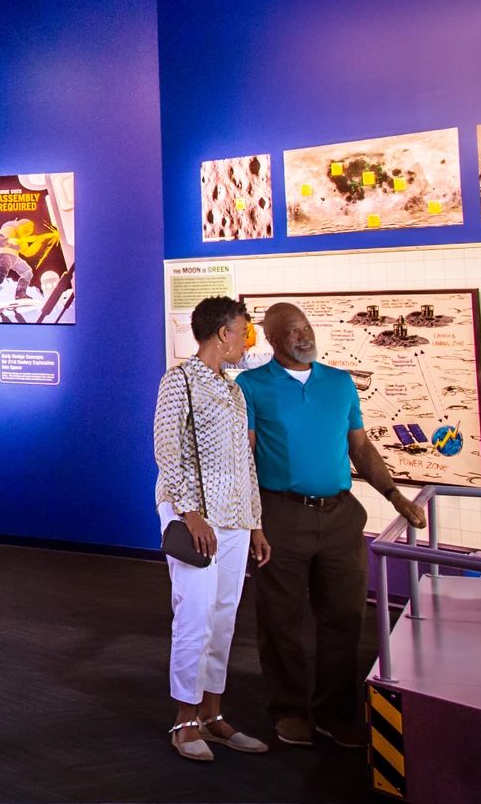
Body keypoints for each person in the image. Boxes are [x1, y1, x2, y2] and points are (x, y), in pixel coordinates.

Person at [239, 302, 428, 749]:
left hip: (342, 517)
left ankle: (334, 712)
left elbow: (360, 449)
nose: (303, 337)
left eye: (306, 328)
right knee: (281, 621)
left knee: (344, 618)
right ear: (271, 340)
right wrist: (252, 523)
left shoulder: (340, 383)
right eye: (291, 332)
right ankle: (289, 710)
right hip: (279, 515)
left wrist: (396, 496)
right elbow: (244, 458)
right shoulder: (250, 386)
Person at [153, 296, 271, 762]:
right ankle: (184, 721)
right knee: (194, 616)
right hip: (194, 518)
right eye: (244, 331)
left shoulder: (235, 390)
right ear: (223, 333)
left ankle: (212, 715)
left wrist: (256, 522)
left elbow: (247, 462)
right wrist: (189, 511)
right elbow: (166, 449)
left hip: (236, 518)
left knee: (223, 618)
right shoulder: (178, 380)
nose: (247, 340)